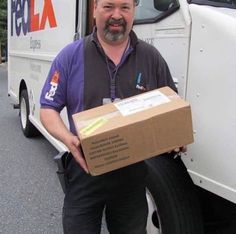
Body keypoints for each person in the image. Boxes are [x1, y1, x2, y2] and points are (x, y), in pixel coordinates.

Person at [40, 0, 177, 233]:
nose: (117, 15)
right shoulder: (70, 56)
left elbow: (171, 108)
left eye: (125, 7)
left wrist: (175, 136)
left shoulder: (151, 57)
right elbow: (47, 108)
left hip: (132, 174)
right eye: (108, 6)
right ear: (94, 9)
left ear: (134, 10)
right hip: (84, 167)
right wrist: (67, 138)